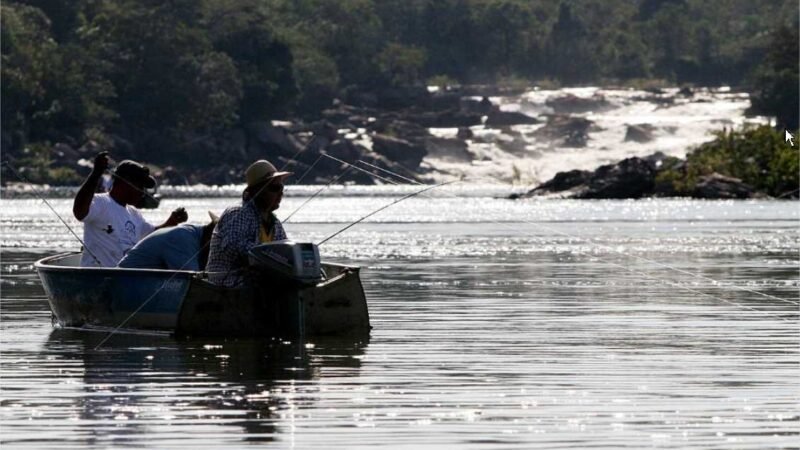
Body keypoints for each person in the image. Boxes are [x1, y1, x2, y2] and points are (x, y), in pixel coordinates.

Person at [73, 152, 188, 267]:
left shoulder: (134, 214)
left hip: (125, 278)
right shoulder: (100, 202)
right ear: (125, 182)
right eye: (140, 186)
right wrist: (96, 173)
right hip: (97, 278)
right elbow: (79, 212)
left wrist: (172, 221)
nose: (143, 192)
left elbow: (152, 236)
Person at [206, 159, 291, 287]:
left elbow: (284, 251)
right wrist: (269, 257)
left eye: (281, 187)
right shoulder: (238, 213)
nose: (281, 193)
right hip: (227, 285)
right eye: (275, 188)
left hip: (257, 284)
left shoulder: (275, 224)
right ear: (258, 191)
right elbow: (232, 246)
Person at [118, 212, 219, 271]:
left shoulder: (194, 234)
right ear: (212, 236)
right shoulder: (183, 238)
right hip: (126, 282)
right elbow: (192, 279)